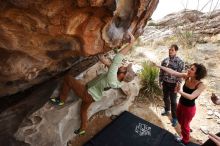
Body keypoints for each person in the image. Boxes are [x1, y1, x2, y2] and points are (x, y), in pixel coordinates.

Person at [50, 31, 136, 135]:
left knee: (68, 79)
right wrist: (102, 59)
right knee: (83, 111)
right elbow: (112, 68)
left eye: (125, 68)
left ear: (123, 75)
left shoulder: (112, 79)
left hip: (88, 94)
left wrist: (131, 44)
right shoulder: (117, 80)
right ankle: (83, 129)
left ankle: (61, 100)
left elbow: (117, 59)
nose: (124, 66)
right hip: (94, 96)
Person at [154, 62, 207, 145]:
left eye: (192, 69)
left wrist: (179, 91)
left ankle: (185, 140)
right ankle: (187, 129)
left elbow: (191, 96)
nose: (188, 70)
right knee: (181, 121)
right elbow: (172, 72)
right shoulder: (187, 76)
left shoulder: (201, 85)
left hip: (189, 109)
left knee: (184, 125)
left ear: (197, 74)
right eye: (189, 67)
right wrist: (158, 66)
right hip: (181, 104)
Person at [159, 44, 184, 127]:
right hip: (165, 83)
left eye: (172, 50)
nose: (170, 51)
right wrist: (160, 81)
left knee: (173, 101)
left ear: (176, 51)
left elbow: (181, 74)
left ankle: (174, 118)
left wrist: (178, 84)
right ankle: (166, 110)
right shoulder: (165, 60)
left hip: (173, 84)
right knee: (165, 98)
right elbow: (161, 72)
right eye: (169, 49)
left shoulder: (180, 61)